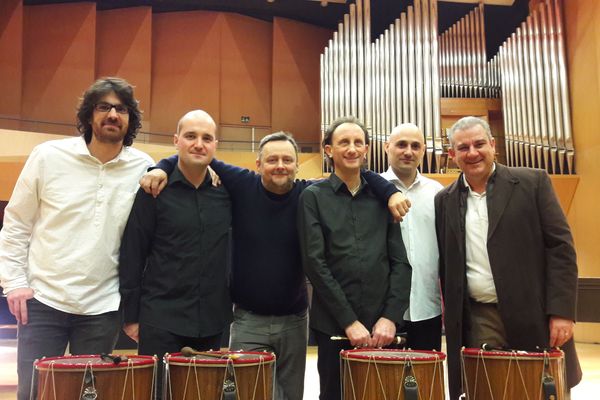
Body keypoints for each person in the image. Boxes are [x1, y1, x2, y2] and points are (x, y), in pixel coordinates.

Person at [141, 131, 410, 400]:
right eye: (272, 160)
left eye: (287, 160)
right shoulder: (242, 184)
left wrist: (390, 192)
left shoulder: (309, 194)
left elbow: (356, 173)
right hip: (247, 321)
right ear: (258, 164)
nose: (280, 165)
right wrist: (161, 167)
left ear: (296, 165)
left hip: (294, 321)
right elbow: (198, 153)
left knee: (290, 395)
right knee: (248, 393)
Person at [0, 77, 154, 400]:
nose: (113, 114)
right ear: (88, 116)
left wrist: (207, 172)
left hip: (102, 307)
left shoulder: (143, 167)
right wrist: (13, 281)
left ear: (130, 119)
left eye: (121, 109)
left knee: (90, 395)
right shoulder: (47, 156)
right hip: (42, 301)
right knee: (34, 393)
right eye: (104, 107)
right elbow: (16, 223)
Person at [435, 116, 582, 399]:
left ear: (493, 146)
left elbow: (561, 248)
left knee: (542, 389)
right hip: (479, 316)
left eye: (479, 144)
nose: (473, 152)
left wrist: (562, 311)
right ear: (452, 155)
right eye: (463, 148)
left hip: (535, 313)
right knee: (489, 390)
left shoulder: (532, 182)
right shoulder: (445, 200)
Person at [298, 116, 412, 400]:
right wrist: (349, 321)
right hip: (334, 325)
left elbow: (400, 262)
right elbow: (315, 263)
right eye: (343, 142)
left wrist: (390, 318)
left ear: (366, 150)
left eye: (358, 142)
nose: (351, 149)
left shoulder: (382, 198)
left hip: (382, 329)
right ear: (328, 150)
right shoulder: (313, 197)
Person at [118, 110, 231, 396]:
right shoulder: (153, 191)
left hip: (213, 322)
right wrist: (131, 315)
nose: (199, 144)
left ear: (215, 145)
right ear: (176, 140)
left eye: (207, 138)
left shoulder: (227, 192)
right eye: (191, 136)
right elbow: (133, 252)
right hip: (161, 320)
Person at [381, 123, 443, 351]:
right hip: (383, 312)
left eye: (415, 146)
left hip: (428, 307)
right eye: (401, 145)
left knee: (426, 383)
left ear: (424, 150)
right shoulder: (373, 190)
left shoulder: (437, 193)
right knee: (385, 384)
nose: (409, 151)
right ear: (387, 147)